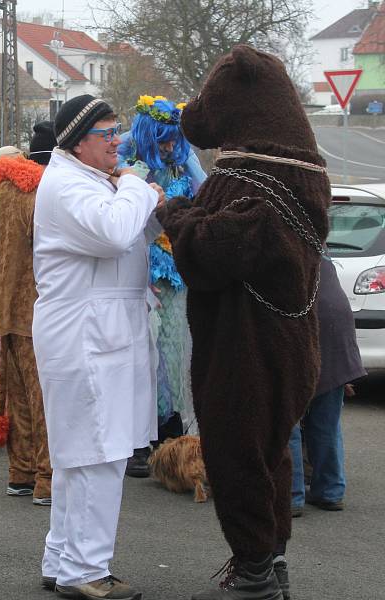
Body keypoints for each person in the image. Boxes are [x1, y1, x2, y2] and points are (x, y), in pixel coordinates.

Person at [157, 46, 329, 600]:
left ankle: (255, 573)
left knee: (236, 453)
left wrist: (176, 214)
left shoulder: (253, 181)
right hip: (288, 340)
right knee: (269, 452)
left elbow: (211, 254)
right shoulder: (298, 174)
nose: (201, 112)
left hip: (245, 343)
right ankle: (270, 564)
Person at [33, 95, 163, 599]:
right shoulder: (66, 185)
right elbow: (113, 234)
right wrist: (135, 185)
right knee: (96, 453)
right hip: (84, 334)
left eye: (118, 131)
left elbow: (136, 233)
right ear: (78, 141)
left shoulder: (91, 182)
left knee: (78, 455)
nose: (118, 142)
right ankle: (86, 571)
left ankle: (62, 558)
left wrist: (149, 198)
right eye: (108, 133)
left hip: (102, 330)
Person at [117, 95, 207, 477]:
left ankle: (170, 427)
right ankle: (139, 437)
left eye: (175, 140)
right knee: (143, 354)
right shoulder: (127, 164)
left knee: (174, 348)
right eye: (164, 140)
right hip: (139, 270)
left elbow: (204, 194)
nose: (170, 147)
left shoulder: (182, 159)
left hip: (176, 270)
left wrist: (188, 161)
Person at [0, 122, 56, 506]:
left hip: (6, 306)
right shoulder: (45, 190)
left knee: (17, 397)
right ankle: (46, 478)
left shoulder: (0, 190)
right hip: (39, 308)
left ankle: (21, 472)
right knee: (45, 396)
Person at [289, 254, 365, 516]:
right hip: (337, 327)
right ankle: (330, 491)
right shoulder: (315, 237)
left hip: (303, 324)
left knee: (287, 421)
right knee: (326, 421)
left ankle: (290, 497)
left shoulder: (278, 233)